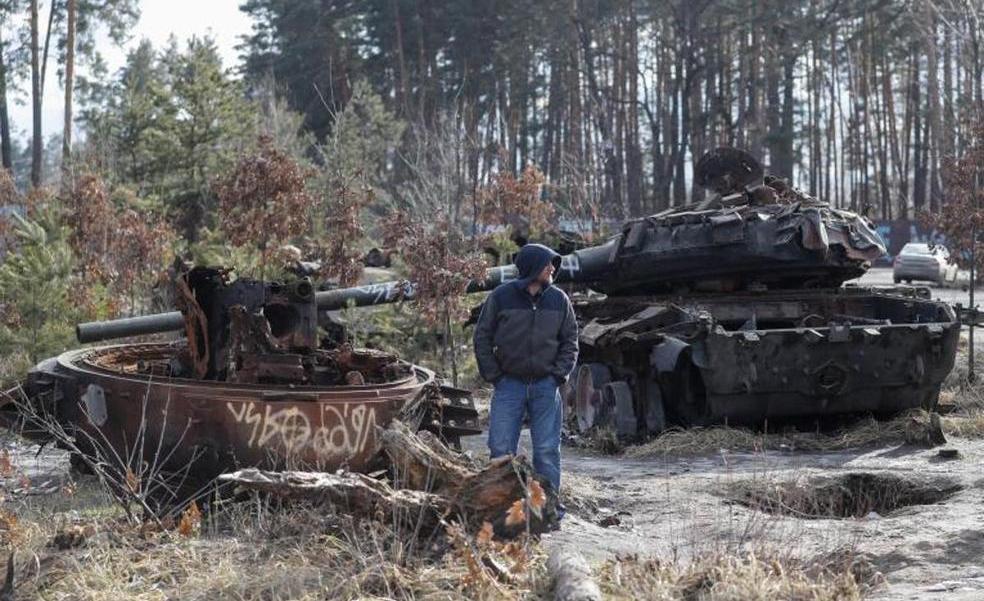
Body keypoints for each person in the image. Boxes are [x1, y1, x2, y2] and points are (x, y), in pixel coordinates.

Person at [472, 243, 578, 508]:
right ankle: (503, 509)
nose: (552, 268)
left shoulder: (558, 300)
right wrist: (495, 376)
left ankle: (548, 508)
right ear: (532, 267)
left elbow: (570, 341)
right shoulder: (501, 297)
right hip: (509, 385)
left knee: (546, 452)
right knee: (501, 450)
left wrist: (557, 376)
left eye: (553, 263)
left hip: (545, 386)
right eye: (546, 264)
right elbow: (482, 336)